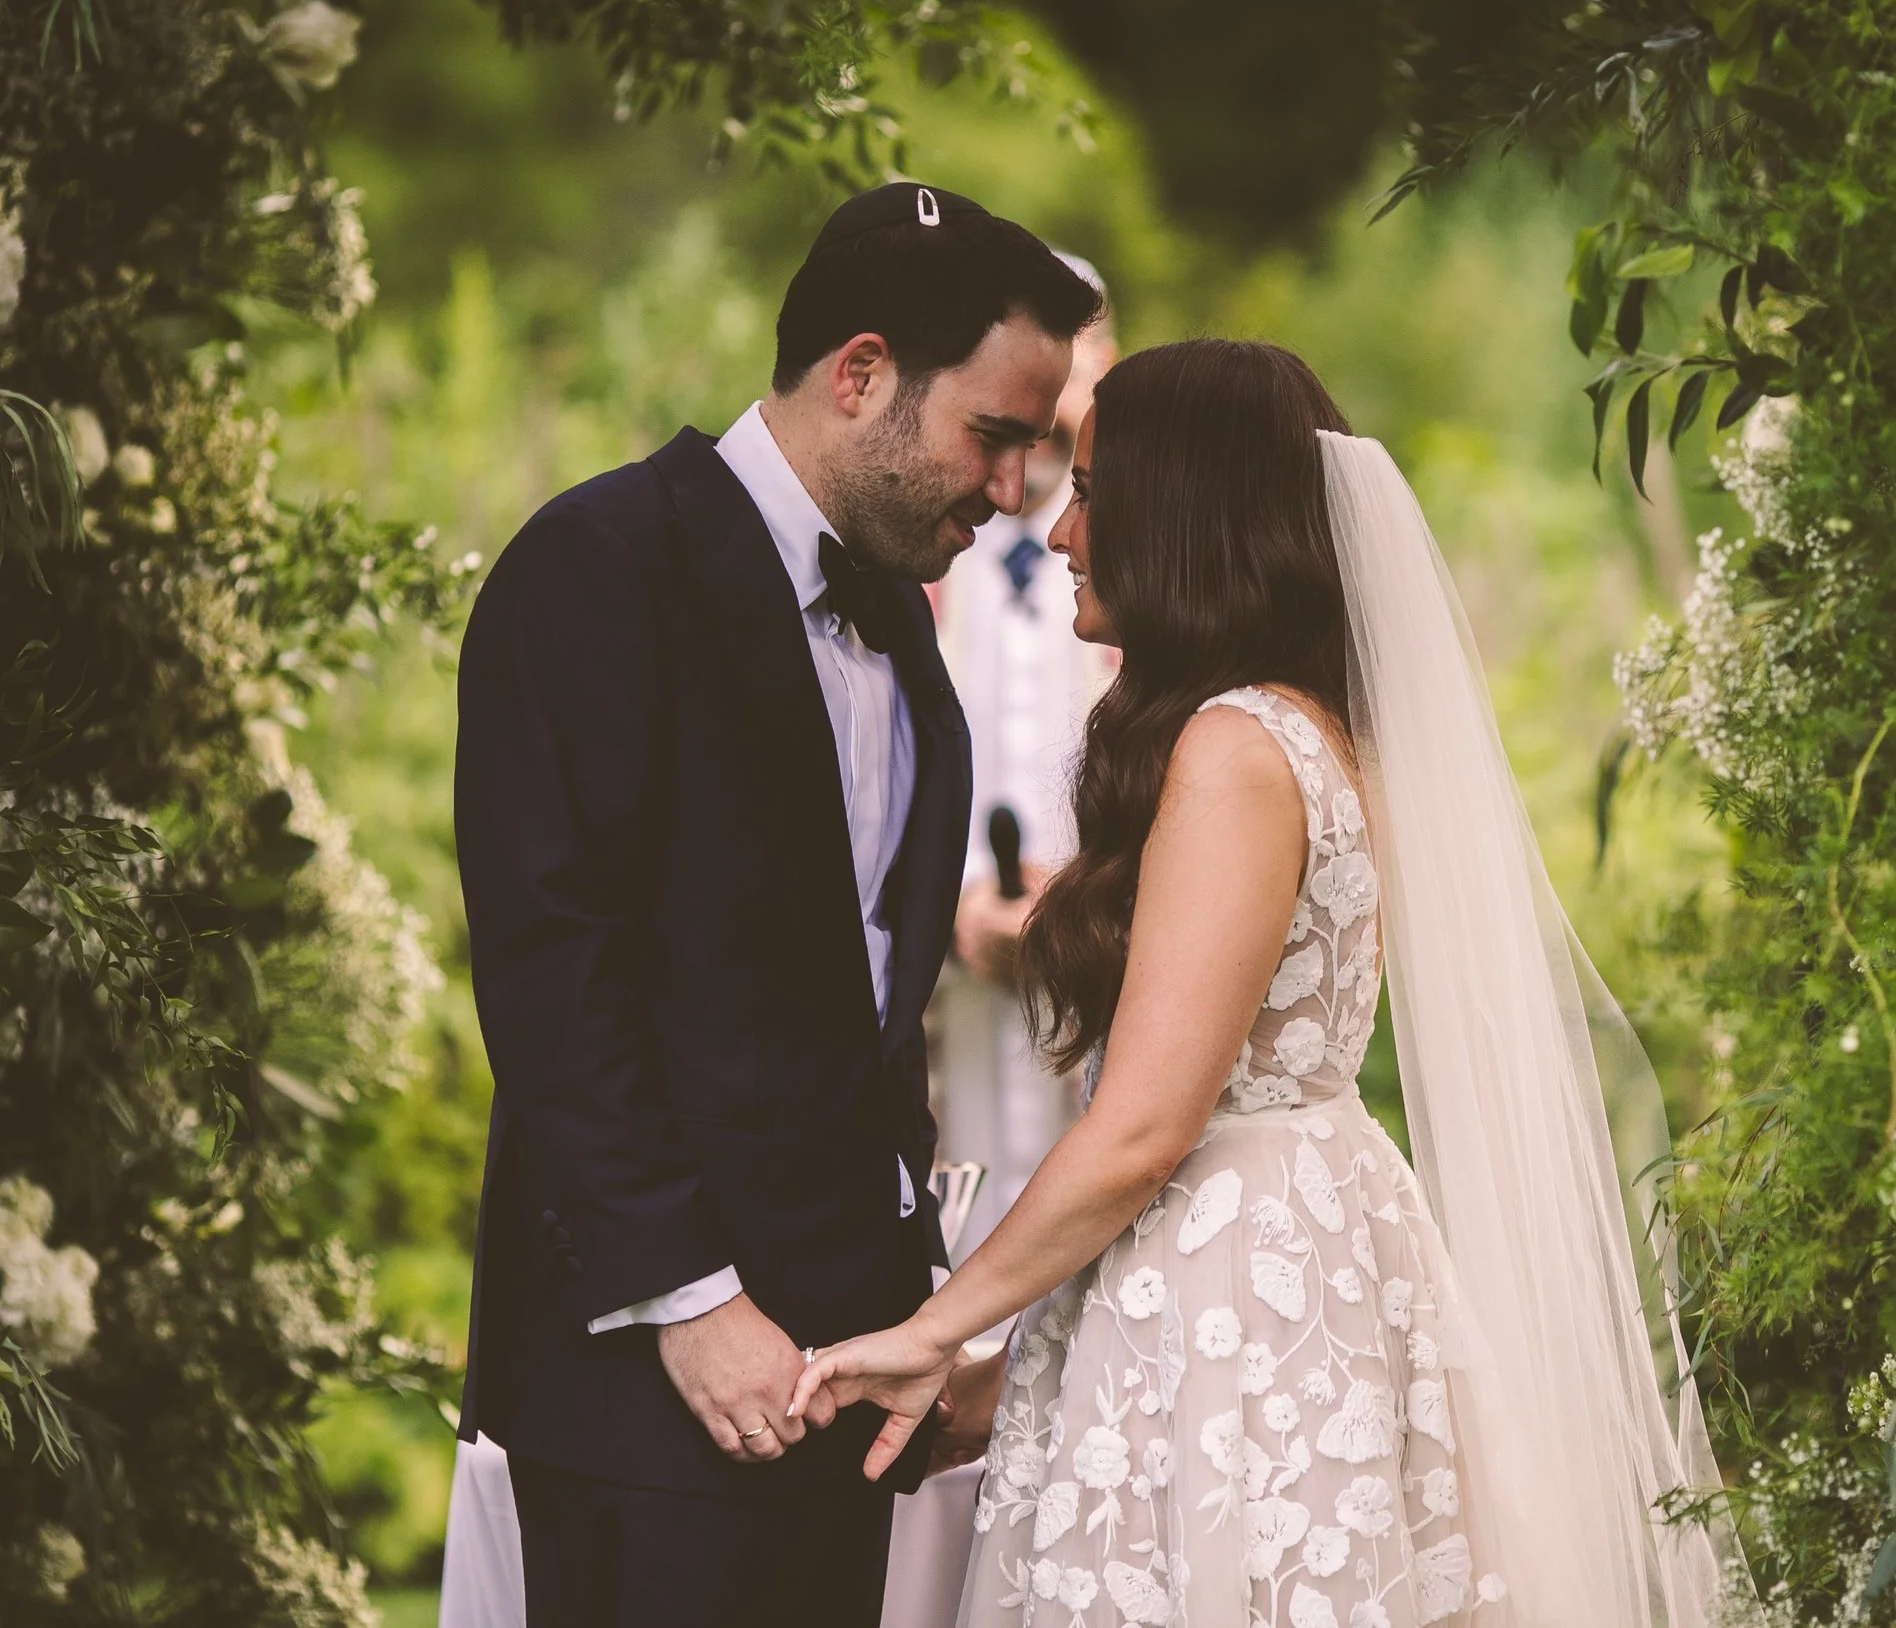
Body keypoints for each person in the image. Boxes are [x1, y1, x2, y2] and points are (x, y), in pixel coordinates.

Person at [786, 341, 1728, 1625]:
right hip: (1279, 1251)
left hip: (1238, 1287)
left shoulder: (1236, 750)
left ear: (1187, 517)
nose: (1062, 526)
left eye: (1098, 488)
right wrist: (1020, 1368)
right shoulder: (1313, 728)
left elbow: (1146, 1129)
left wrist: (928, 1329)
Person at [450, 180, 1101, 1628]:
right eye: (993, 435)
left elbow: (866, 1012)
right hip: (648, 1392)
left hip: (845, 1385)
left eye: (1037, 450)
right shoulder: (600, 565)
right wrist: (691, 1302)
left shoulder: (901, 633)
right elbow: (556, 973)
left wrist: (911, 1306)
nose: (1013, 491)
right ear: (861, 373)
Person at [929, 254, 1119, 1262]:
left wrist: (1076, 904)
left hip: (1095, 971)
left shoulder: (1137, 576)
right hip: (944, 992)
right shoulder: (910, 565)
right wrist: (954, 913)